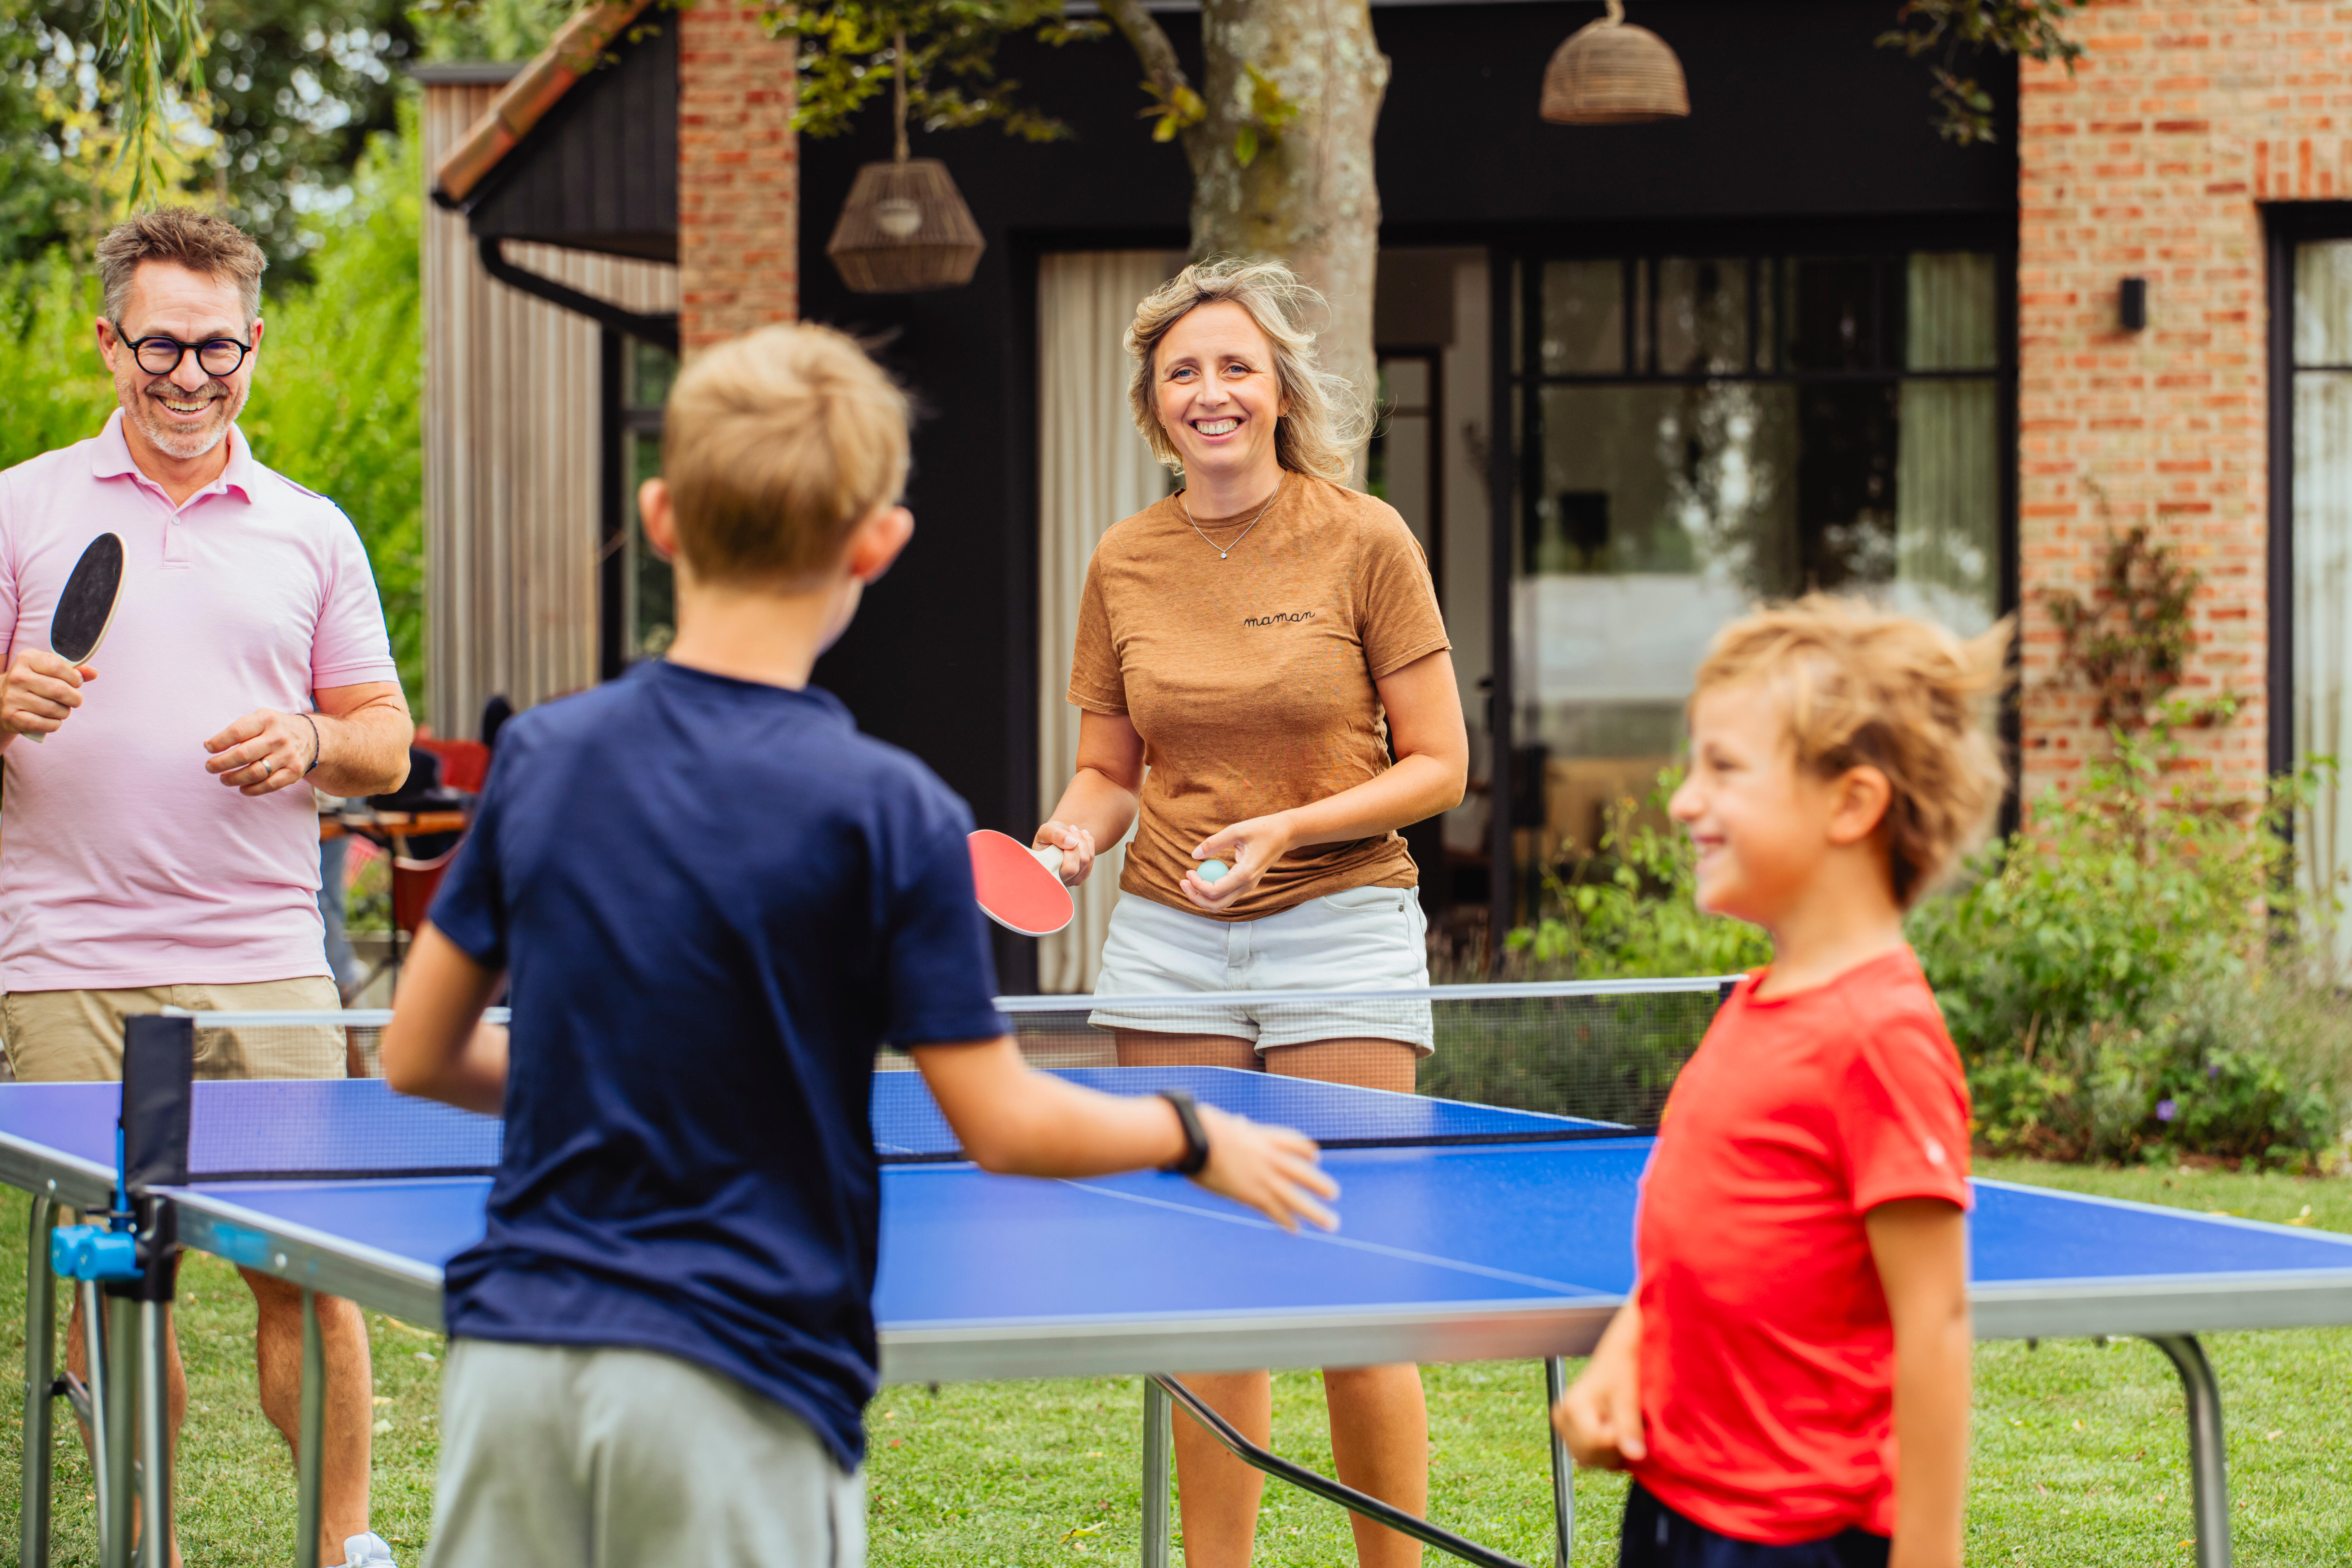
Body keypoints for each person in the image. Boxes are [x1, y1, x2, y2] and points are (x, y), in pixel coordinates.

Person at [379, 322, 1341, 1568]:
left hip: (515, 1364)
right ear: (877, 542)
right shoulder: (891, 813)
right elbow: (1002, 1123)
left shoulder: (543, 762)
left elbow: (413, 1054)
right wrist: (1192, 1132)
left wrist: (617, 1091)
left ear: (663, 519)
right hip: (740, 1371)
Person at [1034, 256, 1468, 1568]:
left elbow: (1439, 765)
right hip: (1171, 937)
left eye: (1235, 366)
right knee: (1210, 1291)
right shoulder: (1125, 560)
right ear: (1154, 406)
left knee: (1355, 1290)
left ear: (1279, 388)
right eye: (1183, 372)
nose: (1211, 392)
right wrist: (1066, 838)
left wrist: (1292, 825)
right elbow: (1110, 772)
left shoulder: (1365, 535)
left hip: (1342, 922)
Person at [0, 209, 413, 1568]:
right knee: (122, 1281)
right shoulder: (22, 507)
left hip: (263, 957)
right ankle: (146, 1553)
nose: (191, 375)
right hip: (66, 962)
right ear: (109, 340)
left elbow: (384, 738)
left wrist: (308, 740)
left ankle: (342, 1545)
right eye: (162, 344)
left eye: (219, 345)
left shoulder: (310, 529)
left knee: (305, 1277)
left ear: (256, 344)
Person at [1554, 598, 2005, 1568]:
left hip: (1798, 1540)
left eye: (1721, 767)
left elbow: (1933, 1324)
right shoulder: (1757, 1004)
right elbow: (1696, 1248)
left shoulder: (1878, 1036)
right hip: (1677, 1504)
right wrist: (1621, 1360)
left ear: (1850, 804)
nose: (1680, 801)